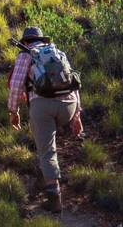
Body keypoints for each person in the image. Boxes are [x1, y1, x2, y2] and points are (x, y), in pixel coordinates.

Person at [6, 27, 83, 212]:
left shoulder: (25, 55)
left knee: (47, 150)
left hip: (43, 106)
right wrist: (77, 115)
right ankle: (43, 180)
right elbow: (72, 82)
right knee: (47, 144)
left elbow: (16, 85)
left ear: (25, 42)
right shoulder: (57, 52)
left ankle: (54, 199)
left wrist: (13, 111)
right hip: (69, 105)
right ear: (42, 40)